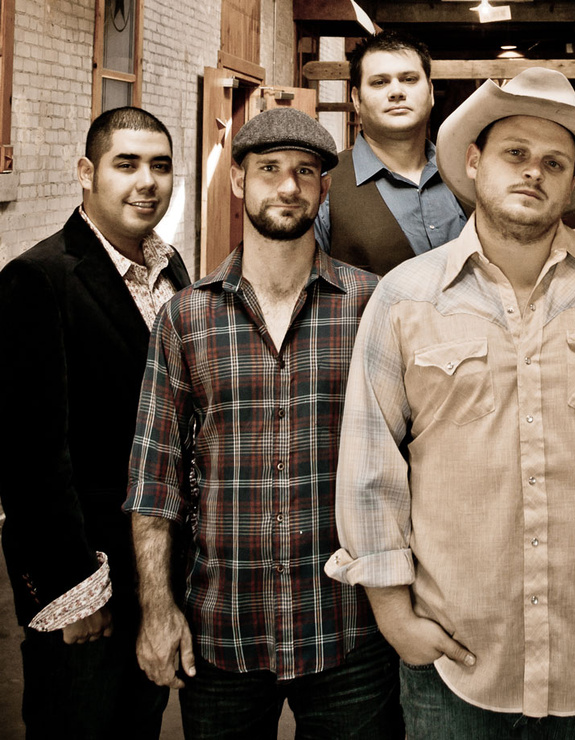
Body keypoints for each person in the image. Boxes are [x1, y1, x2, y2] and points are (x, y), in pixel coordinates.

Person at [326, 67, 575, 738]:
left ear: (573, 180)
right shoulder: (406, 298)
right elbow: (370, 465)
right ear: (474, 162)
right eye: (515, 153)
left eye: (554, 162)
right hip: (454, 653)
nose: (534, 171)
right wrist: (395, 618)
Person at [125, 108, 403, 739]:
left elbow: (411, 458)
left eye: (305, 172)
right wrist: (157, 607)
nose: (288, 186)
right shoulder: (186, 318)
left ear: (324, 188)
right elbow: (153, 479)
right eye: (270, 169)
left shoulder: (373, 305)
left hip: (348, 628)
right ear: (238, 181)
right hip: (223, 629)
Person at [0, 107, 189, 738]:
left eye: (160, 165)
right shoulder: (39, 279)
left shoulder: (170, 268)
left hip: (157, 572)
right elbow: (28, 455)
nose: (147, 182)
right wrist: (71, 590)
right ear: (87, 172)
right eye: (125, 164)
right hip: (90, 579)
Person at [314, 30, 466, 275]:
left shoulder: (467, 174)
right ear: (356, 99)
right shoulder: (325, 186)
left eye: (409, 79)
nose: (396, 92)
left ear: (430, 92)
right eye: (379, 82)